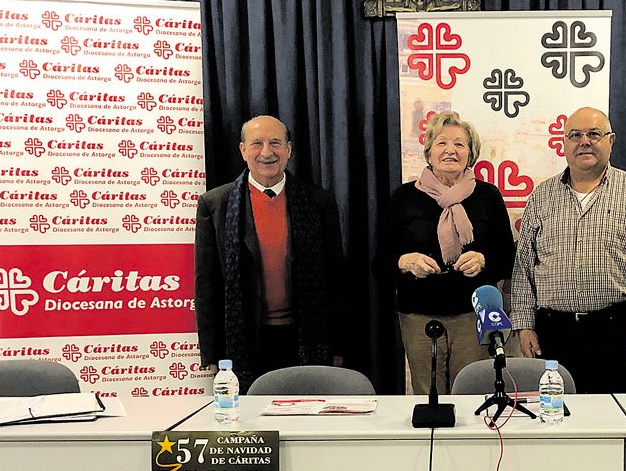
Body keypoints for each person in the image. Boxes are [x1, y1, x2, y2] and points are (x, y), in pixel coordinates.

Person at [511, 107, 626, 393]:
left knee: (613, 422)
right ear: (564, 144)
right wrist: (524, 325)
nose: (585, 141)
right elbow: (524, 267)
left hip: (617, 332)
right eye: (575, 135)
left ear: (611, 140)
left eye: (594, 134)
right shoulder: (542, 195)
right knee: (557, 422)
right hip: (552, 334)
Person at [194, 115, 348, 387]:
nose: (266, 152)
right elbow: (207, 284)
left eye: (275, 143)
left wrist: (338, 345)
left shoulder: (318, 202)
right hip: (244, 340)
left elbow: (335, 279)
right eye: (257, 143)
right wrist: (212, 351)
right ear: (243, 150)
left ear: (288, 150)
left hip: (305, 338)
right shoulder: (215, 204)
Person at [375, 111, 514, 394]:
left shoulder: (488, 196)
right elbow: (380, 263)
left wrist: (484, 260)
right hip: (419, 317)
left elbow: (508, 257)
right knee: (428, 395)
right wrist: (404, 261)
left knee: (472, 392)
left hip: (472, 315)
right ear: (428, 152)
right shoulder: (403, 197)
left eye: (460, 144)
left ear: (470, 154)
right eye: (441, 143)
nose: (450, 150)